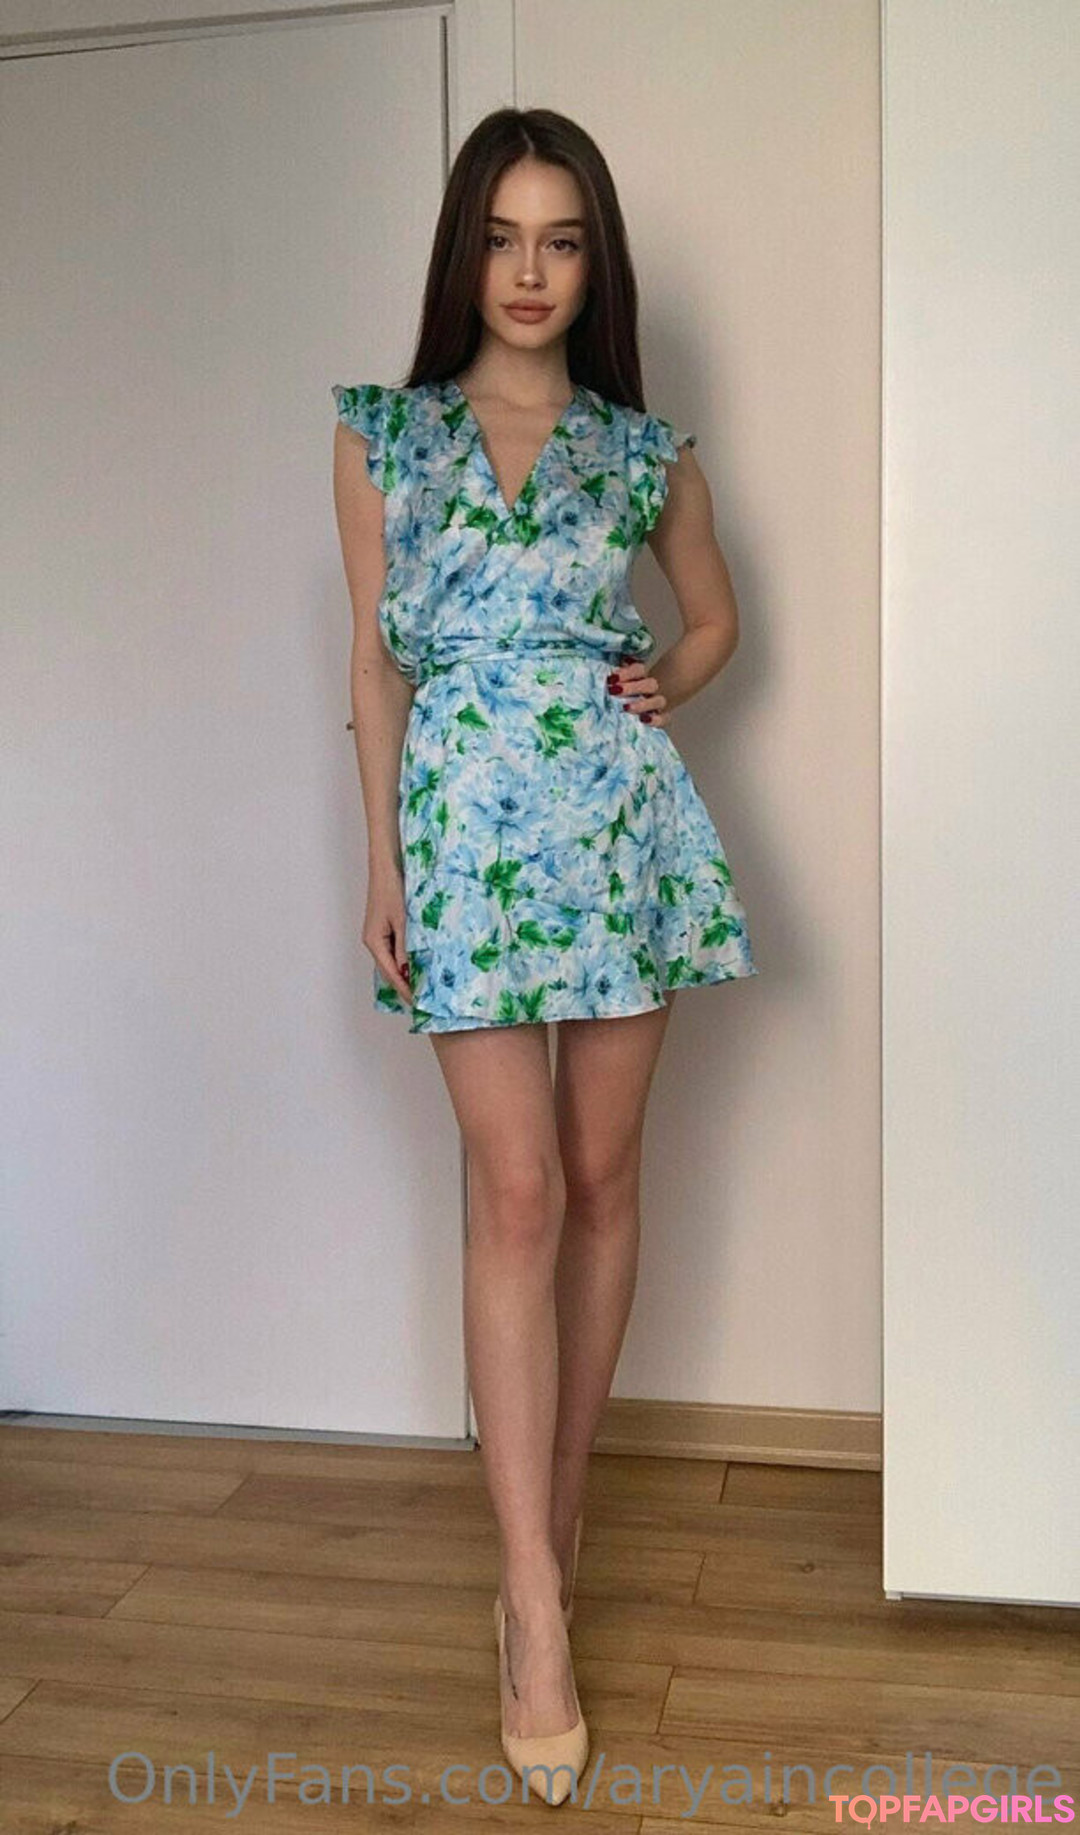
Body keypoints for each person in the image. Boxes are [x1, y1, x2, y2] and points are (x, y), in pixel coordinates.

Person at [331, 106, 758, 1806]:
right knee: (510, 1193)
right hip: (464, 842)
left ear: (595, 263)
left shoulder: (644, 452)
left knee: (597, 1180)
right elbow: (376, 666)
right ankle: (531, 1608)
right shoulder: (383, 436)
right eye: (503, 237)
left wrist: (670, 681)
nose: (529, 271)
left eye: (561, 240)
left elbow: (716, 616)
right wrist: (381, 856)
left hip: (617, 832)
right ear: (465, 252)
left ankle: (553, 1527)